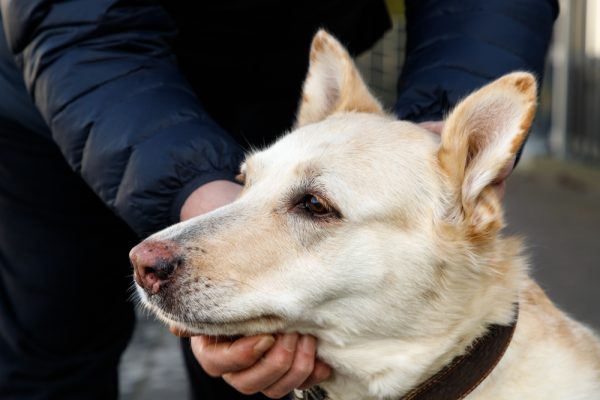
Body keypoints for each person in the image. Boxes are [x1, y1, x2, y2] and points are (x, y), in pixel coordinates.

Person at [0, 1, 557, 399]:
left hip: (273, 72)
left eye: (313, 206)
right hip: (67, 94)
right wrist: (203, 195)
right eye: (251, 183)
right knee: (53, 351)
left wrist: (440, 147)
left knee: (259, 379)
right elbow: (82, 28)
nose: (156, 253)